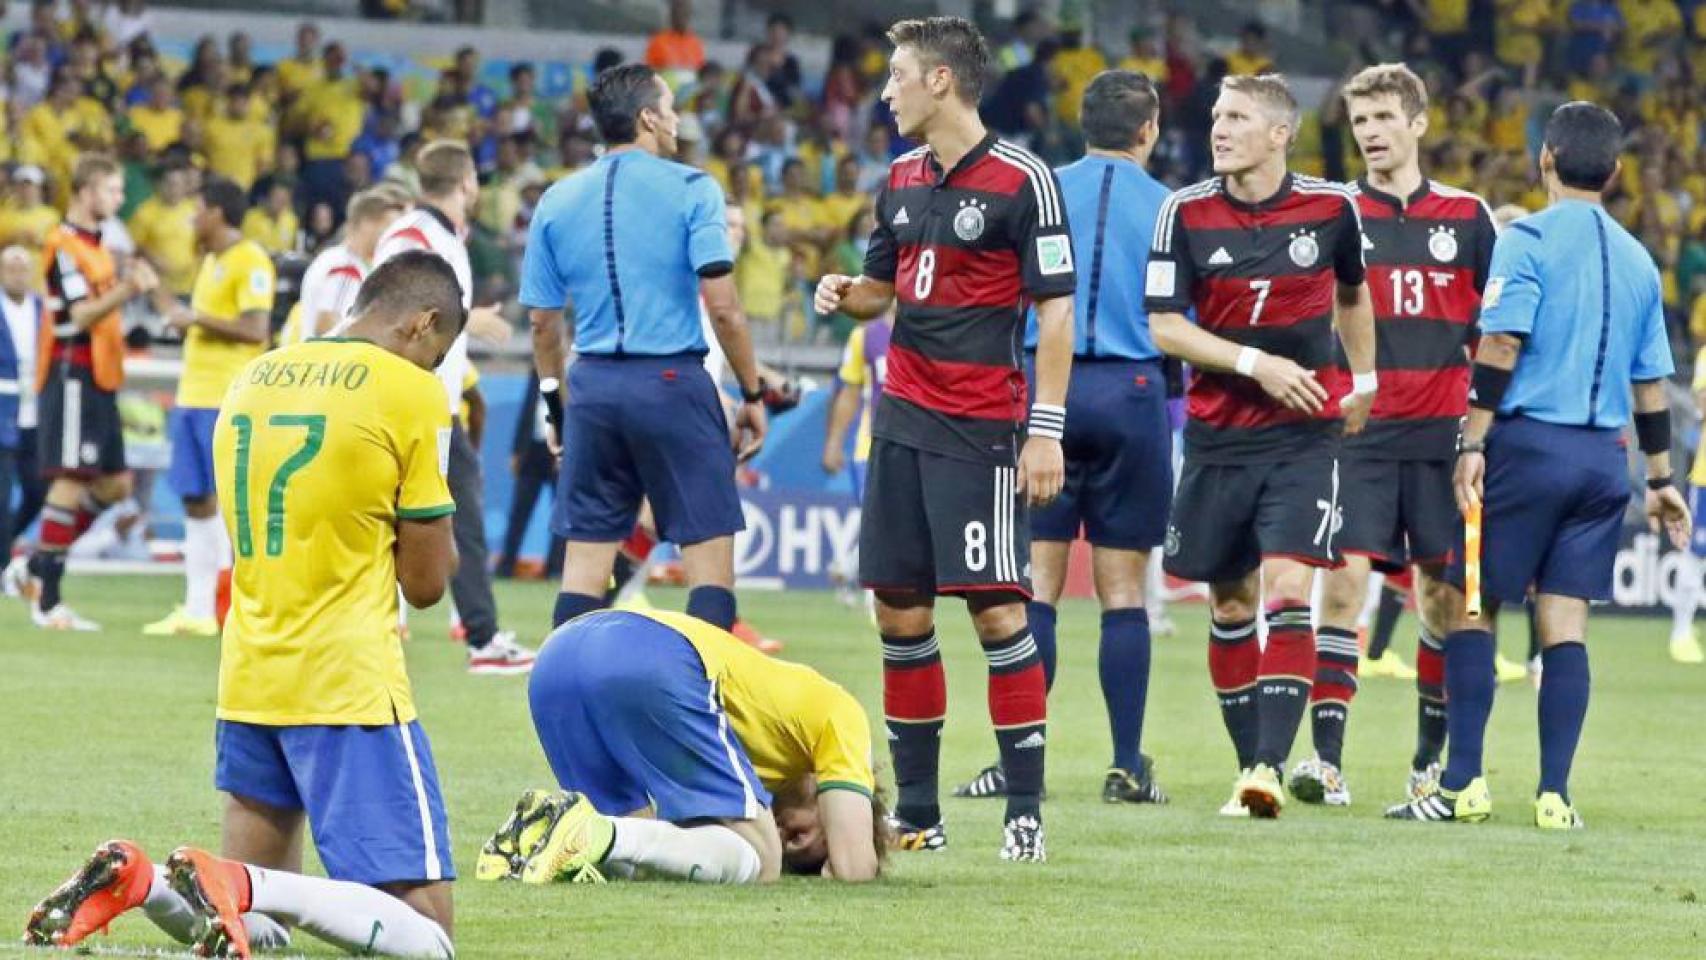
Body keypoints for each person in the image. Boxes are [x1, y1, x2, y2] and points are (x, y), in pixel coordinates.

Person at [25, 251, 467, 959]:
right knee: (431, 937)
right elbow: (425, 585)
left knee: (257, 934)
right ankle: (239, 880)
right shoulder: (409, 390)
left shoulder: (253, 377)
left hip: (251, 675)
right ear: (422, 323)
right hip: (346, 680)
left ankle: (146, 884)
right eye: (437, 354)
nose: (433, 368)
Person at [813, 16, 1076, 862]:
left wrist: (1045, 431)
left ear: (940, 81)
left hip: (981, 426)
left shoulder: (1024, 180)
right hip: (901, 421)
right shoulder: (898, 178)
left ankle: (1024, 812)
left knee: (998, 612)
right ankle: (920, 815)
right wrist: (844, 291)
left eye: (896, 76)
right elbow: (882, 290)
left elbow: (1057, 312)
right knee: (898, 610)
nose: (884, 92)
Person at [1388, 103, 1689, 829]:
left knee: (1472, 605)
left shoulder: (1525, 239)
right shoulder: (1639, 260)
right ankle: (1555, 796)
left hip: (1525, 450)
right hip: (1603, 461)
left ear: (1545, 158)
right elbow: (1650, 385)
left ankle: (1461, 785)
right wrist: (1659, 480)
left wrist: (1472, 443)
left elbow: (1501, 345)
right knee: (1566, 625)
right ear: (1615, 172)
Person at [1145, 73, 1378, 819]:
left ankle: (1267, 769)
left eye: (1238, 117)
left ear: (1280, 134)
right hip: (1217, 438)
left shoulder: (1332, 207)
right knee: (1231, 601)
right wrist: (1256, 364)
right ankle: (1249, 762)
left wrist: (1365, 378)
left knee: (1287, 589)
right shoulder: (1184, 211)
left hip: (1304, 436)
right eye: (1218, 116)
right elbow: (1165, 326)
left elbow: (1353, 294)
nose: (1219, 128)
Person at [953, 69, 1172, 807]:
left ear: (1081, 125)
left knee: (1037, 586)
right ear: (1149, 130)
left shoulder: (1040, 189)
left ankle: (1018, 764)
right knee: (1123, 591)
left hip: (1044, 389)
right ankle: (1126, 765)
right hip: (1133, 392)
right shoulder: (1170, 206)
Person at [1292, 63, 1499, 807]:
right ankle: (1326, 763)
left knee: (1443, 600)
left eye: (1384, 118)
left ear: (1418, 122)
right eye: (1361, 122)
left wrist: (1482, 433)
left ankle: (1427, 763)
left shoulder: (1469, 218)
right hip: (1360, 435)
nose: (1371, 133)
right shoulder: (1335, 214)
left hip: (1444, 441)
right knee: (1343, 587)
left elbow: (1497, 334)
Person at [523, 63, 767, 635]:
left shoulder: (556, 200)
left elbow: (541, 324)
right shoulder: (693, 188)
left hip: (592, 387)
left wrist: (557, 408)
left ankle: (563, 687)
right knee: (709, 570)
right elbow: (724, 309)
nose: (678, 119)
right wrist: (753, 392)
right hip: (672, 383)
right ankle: (703, 688)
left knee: (584, 571)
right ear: (649, 118)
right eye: (671, 107)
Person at [478, 608, 883, 885]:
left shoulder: (738, 755)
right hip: (650, 652)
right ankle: (585, 832)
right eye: (806, 836)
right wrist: (844, 855)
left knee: (629, 863)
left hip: (557, 659)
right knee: (763, 860)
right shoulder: (841, 714)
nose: (784, 831)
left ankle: (521, 846)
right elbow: (855, 868)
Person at [375, 138, 536, 675]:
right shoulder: (415, 236)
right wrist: (470, 319)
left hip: (430, 403)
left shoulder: (439, 237)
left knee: (454, 519)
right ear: (467, 183)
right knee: (454, 519)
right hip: (412, 405)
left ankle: (480, 635)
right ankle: (482, 639)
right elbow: (391, 311)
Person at [4, 155, 159, 630]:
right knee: (69, 480)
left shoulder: (97, 247)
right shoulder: (63, 245)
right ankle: (47, 600)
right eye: (111, 190)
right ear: (86, 191)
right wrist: (128, 289)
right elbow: (75, 318)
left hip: (100, 378)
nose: (118, 198)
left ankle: (33, 565)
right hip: (71, 374)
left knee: (115, 486)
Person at [144, 176, 275, 639]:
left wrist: (196, 317)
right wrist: (156, 291)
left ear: (217, 213)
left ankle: (233, 608)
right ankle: (198, 609)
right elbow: (192, 323)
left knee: (231, 507)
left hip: (228, 399)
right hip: (193, 395)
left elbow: (256, 329)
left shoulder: (250, 259)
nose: (192, 219)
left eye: (198, 210)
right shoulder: (211, 262)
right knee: (196, 501)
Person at [287, 186, 410, 343]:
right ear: (367, 223)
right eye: (389, 227)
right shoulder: (346, 267)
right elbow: (327, 325)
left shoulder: (336, 258)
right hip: (331, 358)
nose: (393, 236)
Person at [496, 369, 563, 580]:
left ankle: (555, 568)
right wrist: (517, 450)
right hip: (532, 449)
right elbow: (527, 410)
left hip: (559, 452)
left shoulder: (571, 373)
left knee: (560, 515)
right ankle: (506, 565)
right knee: (519, 512)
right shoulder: (537, 372)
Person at [0, 245, 45, 554]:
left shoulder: (42, 309)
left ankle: (5, 544)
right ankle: (3, 562)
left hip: (35, 411)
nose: (17, 275)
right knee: (2, 496)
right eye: (11, 269)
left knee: (38, 490)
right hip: (3, 410)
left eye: (23, 269)